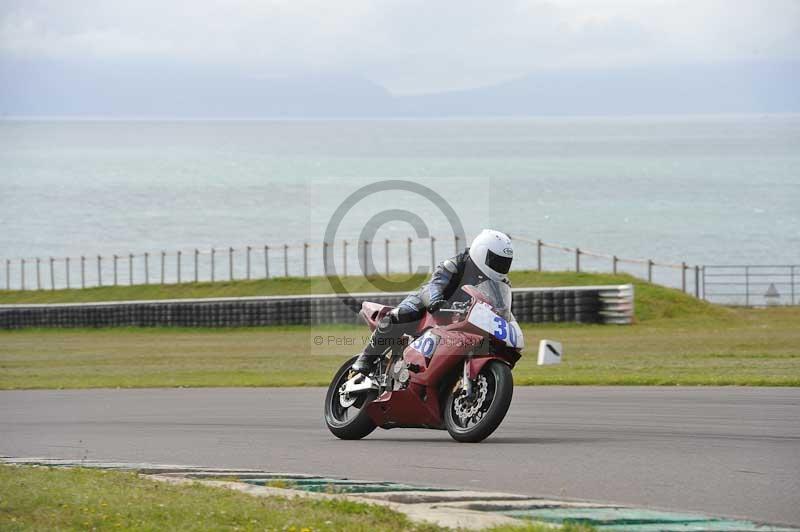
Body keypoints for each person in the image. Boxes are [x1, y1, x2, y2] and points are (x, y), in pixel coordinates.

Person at [352, 229, 514, 374]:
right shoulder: (456, 264)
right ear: (481, 252)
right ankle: (366, 357)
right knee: (401, 315)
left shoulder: (500, 283)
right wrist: (436, 301)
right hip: (435, 304)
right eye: (496, 260)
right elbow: (436, 284)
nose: (500, 266)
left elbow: (501, 306)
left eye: (504, 262)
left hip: (466, 316)